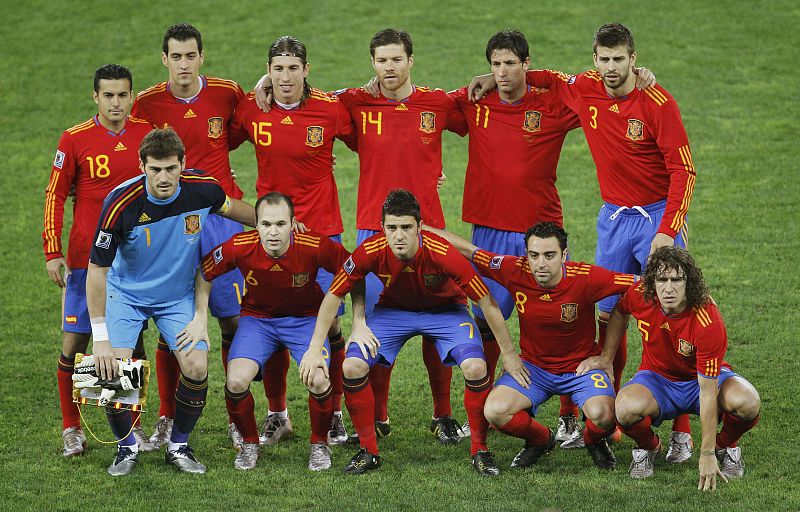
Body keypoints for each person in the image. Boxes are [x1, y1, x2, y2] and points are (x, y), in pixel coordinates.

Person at [469, 22, 693, 457]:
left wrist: (668, 229)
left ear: (633, 58)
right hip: (612, 216)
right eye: (604, 59)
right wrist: (494, 77)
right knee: (608, 313)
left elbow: (684, 170)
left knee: (669, 311)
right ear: (594, 59)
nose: (611, 68)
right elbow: (548, 77)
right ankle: (611, 413)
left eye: (619, 59)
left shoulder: (658, 102)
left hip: (654, 218)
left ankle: (682, 429)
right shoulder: (585, 87)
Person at [306, 189, 529, 476]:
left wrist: (509, 354)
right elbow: (333, 296)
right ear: (383, 227)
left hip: (446, 312)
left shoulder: (442, 252)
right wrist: (316, 348)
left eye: (407, 228)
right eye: (392, 228)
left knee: (475, 366)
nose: (399, 236)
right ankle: (369, 451)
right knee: (352, 365)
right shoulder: (371, 249)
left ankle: (480, 450)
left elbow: (487, 301)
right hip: (393, 313)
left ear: (420, 227)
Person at [85, 128, 255, 476]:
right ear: (142, 166)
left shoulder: (203, 189)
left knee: (196, 366)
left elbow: (235, 209)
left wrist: (279, 223)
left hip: (176, 296)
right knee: (110, 370)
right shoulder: (120, 203)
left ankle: (178, 445)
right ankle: (126, 447)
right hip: (126, 295)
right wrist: (99, 337)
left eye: (171, 169)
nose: (163, 178)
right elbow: (96, 271)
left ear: (183, 164)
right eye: (155, 169)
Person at [448, 29, 583, 445]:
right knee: (486, 319)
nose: (502, 72)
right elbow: (419, 102)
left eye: (511, 63)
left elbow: (591, 90)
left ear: (526, 64)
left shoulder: (551, 103)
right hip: (486, 232)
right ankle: (491, 404)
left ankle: (568, 413)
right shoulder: (475, 100)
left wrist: (642, 74)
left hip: (537, 236)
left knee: (554, 320)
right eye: (495, 64)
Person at [229, 36, 356, 448]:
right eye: (277, 69)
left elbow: (372, 142)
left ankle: (334, 413)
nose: (285, 77)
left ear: (306, 69)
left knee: (331, 323)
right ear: (269, 71)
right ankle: (278, 414)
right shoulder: (252, 108)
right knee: (274, 312)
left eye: (292, 68)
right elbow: (218, 142)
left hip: (321, 229)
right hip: (269, 230)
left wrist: (431, 175)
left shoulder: (330, 108)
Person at [427, 222, 635, 470]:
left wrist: (606, 356)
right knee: (495, 411)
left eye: (549, 255)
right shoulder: (516, 270)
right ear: (527, 255)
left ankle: (593, 441)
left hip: (581, 370)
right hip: (533, 370)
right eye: (534, 255)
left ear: (564, 255)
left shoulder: (587, 277)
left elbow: (637, 285)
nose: (541, 263)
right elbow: (471, 252)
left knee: (605, 416)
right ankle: (541, 440)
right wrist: (422, 231)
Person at [131, 22, 247, 451]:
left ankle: (238, 416)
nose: (183, 63)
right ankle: (163, 418)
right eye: (175, 56)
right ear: (165, 59)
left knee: (232, 318)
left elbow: (255, 116)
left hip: (220, 218)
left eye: (190, 55)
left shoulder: (226, 92)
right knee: (168, 324)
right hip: (169, 225)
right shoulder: (145, 103)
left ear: (202, 56)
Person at [578, 247, 760, 489]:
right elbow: (620, 312)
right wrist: (606, 357)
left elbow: (707, 391)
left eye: (676, 280)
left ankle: (723, 445)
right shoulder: (641, 294)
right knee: (624, 409)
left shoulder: (707, 320)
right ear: (652, 281)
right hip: (657, 379)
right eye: (662, 280)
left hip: (699, 382)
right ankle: (649, 446)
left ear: (689, 282)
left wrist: (706, 453)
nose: (668, 288)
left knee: (748, 401)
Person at [43, 64, 153, 457]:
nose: (116, 103)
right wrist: (52, 251)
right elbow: (55, 195)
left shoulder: (146, 135)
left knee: (129, 344)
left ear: (131, 96)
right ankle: (71, 428)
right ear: (95, 97)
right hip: (85, 260)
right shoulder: (74, 139)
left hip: (132, 262)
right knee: (75, 344)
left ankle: (130, 428)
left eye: (123, 95)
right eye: (108, 95)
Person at [201, 192, 351, 471]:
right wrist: (200, 317)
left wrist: (360, 318)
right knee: (235, 382)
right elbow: (205, 272)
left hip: (304, 320)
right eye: (266, 224)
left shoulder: (315, 245)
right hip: (258, 322)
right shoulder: (238, 245)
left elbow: (353, 269)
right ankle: (249, 443)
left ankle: (319, 445)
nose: (273, 232)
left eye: (281, 224)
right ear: (255, 224)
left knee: (318, 380)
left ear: (293, 224)